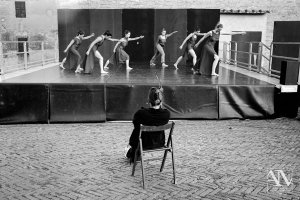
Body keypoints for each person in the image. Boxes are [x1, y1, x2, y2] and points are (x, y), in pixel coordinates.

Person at [125, 87, 170, 163]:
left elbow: (136, 126)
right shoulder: (166, 114)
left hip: (143, 144)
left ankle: (133, 152)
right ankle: (134, 152)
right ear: (161, 101)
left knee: (137, 130)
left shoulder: (141, 113)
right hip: (159, 143)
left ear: (149, 100)